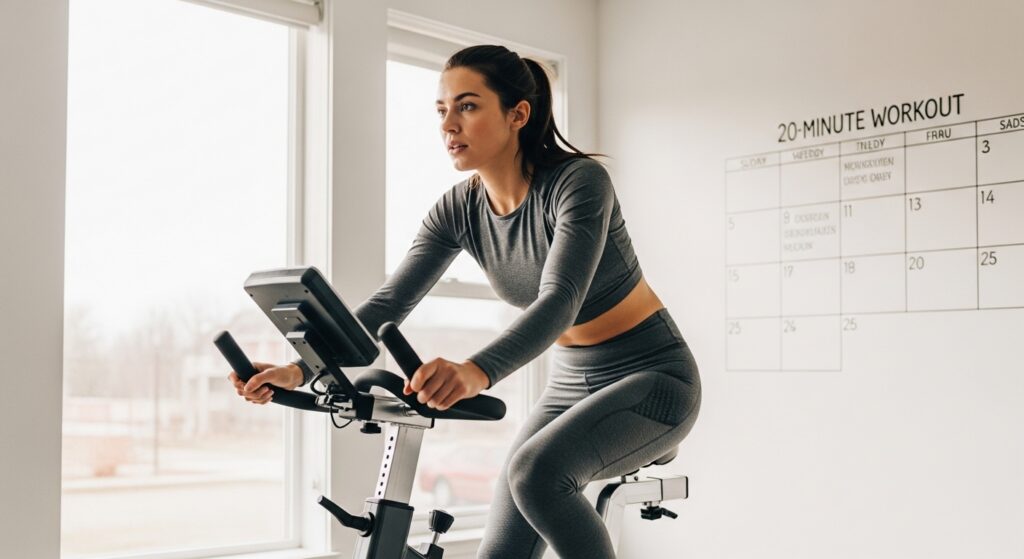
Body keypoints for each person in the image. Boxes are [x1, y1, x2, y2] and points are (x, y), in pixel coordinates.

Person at [228, 44, 701, 559]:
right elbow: (389, 303)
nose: (448, 124)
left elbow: (559, 299)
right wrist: (299, 370)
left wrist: (476, 370)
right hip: (571, 383)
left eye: (468, 106)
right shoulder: (458, 209)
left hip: (654, 378)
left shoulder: (578, 184)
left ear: (518, 114)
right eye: (442, 110)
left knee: (536, 475)